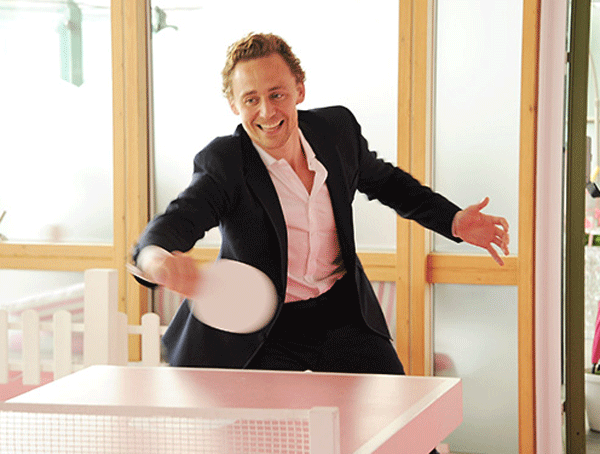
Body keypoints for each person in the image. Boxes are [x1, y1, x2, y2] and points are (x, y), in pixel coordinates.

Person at [132, 32, 509, 374]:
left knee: (396, 413)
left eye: (277, 94)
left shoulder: (337, 132)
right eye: (251, 99)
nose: (266, 112)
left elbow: (388, 183)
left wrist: (453, 220)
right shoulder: (225, 163)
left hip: (341, 313)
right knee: (268, 429)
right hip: (266, 329)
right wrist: (157, 260)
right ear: (234, 105)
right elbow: (177, 220)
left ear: (299, 89)